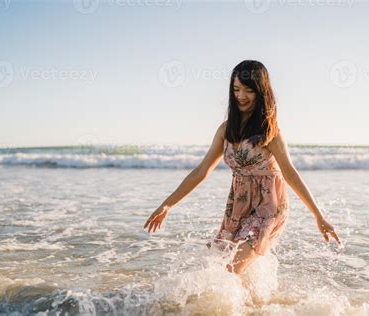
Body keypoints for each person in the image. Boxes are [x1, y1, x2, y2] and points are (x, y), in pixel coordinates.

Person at [143, 60, 341, 277]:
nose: (241, 96)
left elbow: (290, 174)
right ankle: (256, 307)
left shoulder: (269, 131)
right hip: (238, 208)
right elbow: (201, 171)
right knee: (218, 266)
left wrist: (318, 216)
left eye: (248, 90)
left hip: (269, 208)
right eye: (236, 89)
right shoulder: (226, 130)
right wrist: (167, 205)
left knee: (231, 269)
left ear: (261, 91)